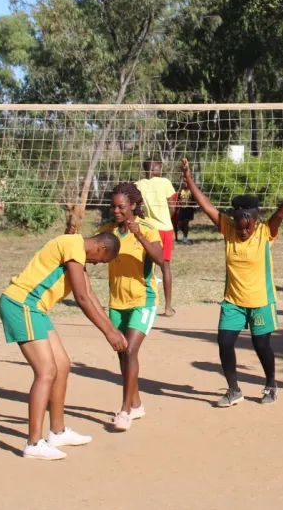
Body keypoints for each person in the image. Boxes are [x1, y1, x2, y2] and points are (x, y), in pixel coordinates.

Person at [181, 157, 283, 407]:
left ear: (255, 220)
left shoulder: (264, 231)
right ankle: (233, 389)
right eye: (240, 226)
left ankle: (271, 383)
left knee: (262, 346)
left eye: (247, 226)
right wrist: (190, 181)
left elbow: (280, 213)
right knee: (225, 343)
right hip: (233, 302)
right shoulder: (228, 228)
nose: (243, 231)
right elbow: (207, 207)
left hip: (260, 301)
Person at [0, 232, 127, 460]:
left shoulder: (77, 256)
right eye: (102, 260)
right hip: (21, 304)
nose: (96, 263)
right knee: (46, 371)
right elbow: (81, 297)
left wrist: (113, 329)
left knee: (62, 365)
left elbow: (89, 293)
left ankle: (57, 432)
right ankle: (34, 443)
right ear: (100, 248)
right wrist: (108, 333)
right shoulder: (73, 245)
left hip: (36, 308)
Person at [96, 183, 164, 431]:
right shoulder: (107, 231)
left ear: (133, 206)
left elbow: (160, 258)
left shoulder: (147, 229)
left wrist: (139, 236)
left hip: (143, 299)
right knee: (121, 354)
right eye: (113, 206)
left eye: (120, 206)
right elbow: (88, 250)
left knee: (129, 351)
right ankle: (136, 403)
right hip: (117, 302)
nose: (115, 210)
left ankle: (125, 410)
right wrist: (71, 234)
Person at [136, 160, 178, 317]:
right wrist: (168, 217)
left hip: (147, 229)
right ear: (153, 168)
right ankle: (167, 307)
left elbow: (136, 206)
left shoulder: (137, 185)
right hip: (165, 228)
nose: (161, 169)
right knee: (165, 267)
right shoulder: (165, 182)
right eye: (159, 167)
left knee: (145, 267)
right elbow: (173, 206)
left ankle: (142, 303)